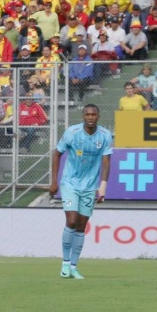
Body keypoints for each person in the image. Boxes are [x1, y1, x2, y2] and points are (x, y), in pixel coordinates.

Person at [48, 104, 113, 280]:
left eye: (93, 114)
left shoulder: (105, 136)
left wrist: (103, 186)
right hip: (70, 182)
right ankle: (65, 263)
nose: (90, 117)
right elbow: (57, 154)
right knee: (72, 220)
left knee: (82, 225)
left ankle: (74, 267)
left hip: (90, 186)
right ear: (83, 116)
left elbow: (106, 161)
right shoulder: (72, 132)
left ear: (98, 116)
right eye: (87, 114)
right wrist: (54, 181)